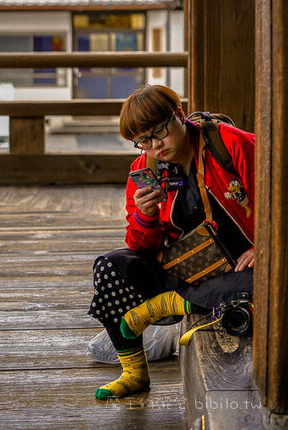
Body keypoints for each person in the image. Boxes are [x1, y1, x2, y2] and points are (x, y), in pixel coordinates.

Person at [88, 83, 255, 400]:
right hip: (182, 267)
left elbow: (281, 200)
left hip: (237, 266)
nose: (155, 145)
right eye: (143, 141)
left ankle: (167, 305)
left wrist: (266, 244)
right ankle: (134, 373)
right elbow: (141, 248)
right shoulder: (144, 168)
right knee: (109, 267)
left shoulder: (230, 145)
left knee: (264, 280)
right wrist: (145, 215)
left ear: (178, 114)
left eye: (160, 132)